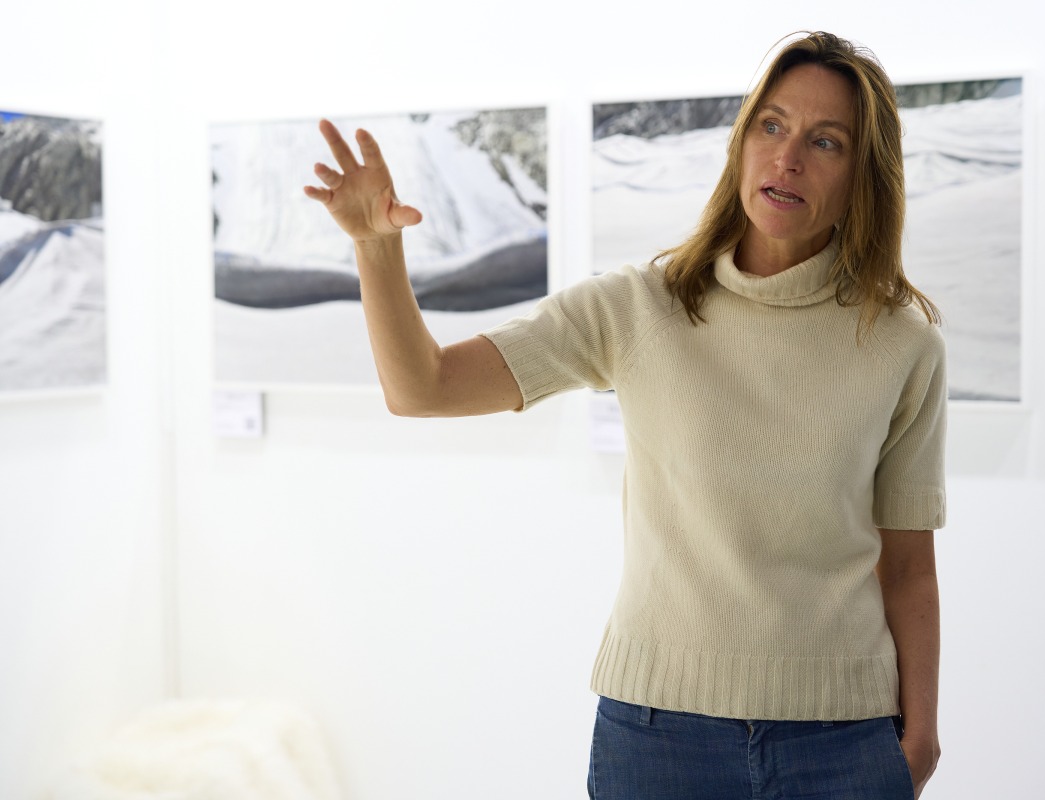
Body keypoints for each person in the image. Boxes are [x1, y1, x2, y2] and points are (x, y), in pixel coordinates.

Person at [304, 30, 945, 800]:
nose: (788, 158)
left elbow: (908, 566)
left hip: (842, 743)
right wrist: (376, 250)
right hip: (658, 740)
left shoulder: (902, 341)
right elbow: (425, 387)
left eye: (826, 141)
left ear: (862, 174)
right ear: (740, 144)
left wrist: (920, 738)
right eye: (771, 126)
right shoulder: (637, 307)